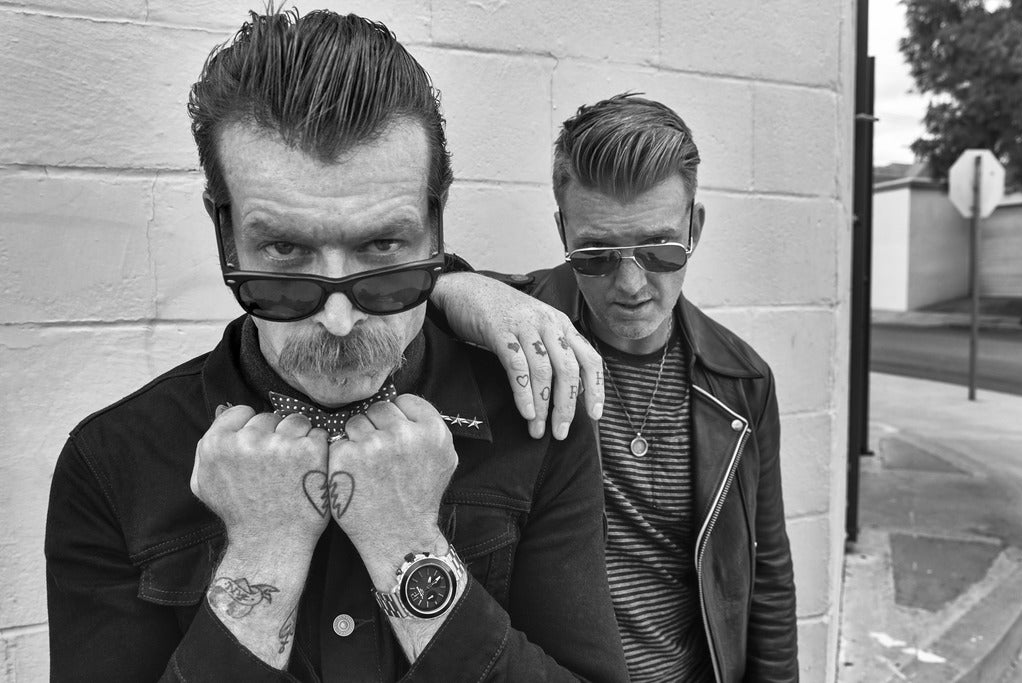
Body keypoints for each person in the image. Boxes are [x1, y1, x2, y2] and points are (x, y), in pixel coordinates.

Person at [44, 10, 628, 682]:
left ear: (435, 225)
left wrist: (408, 545)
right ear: (225, 235)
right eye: (284, 251)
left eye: (383, 246)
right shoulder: (111, 462)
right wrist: (261, 557)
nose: (341, 319)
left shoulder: (535, 422)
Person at [432, 94, 799, 682]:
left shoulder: (741, 381)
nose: (631, 283)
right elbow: (394, 293)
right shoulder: (511, 339)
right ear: (563, 231)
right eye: (597, 255)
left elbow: (767, 574)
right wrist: (455, 285)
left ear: (695, 228)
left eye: (658, 250)